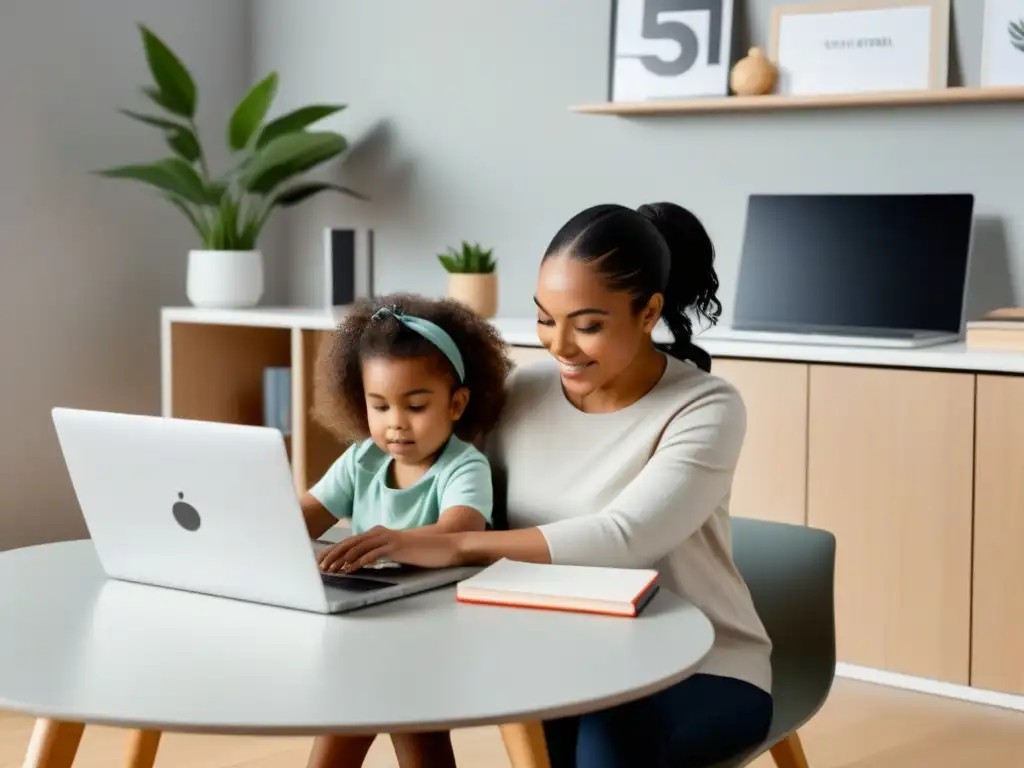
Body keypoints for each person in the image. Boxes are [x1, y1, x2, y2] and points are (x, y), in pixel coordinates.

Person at [319, 202, 775, 768]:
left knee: (599, 755)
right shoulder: (521, 391)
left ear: (648, 311)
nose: (558, 345)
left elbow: (624, 537)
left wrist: (454, 543)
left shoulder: (705, 406)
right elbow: (440, 477)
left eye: (587, 325)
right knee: (378, 680)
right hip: (551, 647)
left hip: (697, 661)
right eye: (544, 318)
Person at [300, 293, 512, 768]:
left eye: (415, 405)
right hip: (370, 627)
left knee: (412, 731)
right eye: (379, 406)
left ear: (456, 403)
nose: (395, 424)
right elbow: (307, 515)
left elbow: (462, 529)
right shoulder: (364, 459)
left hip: (434, 633)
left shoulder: (463, 466)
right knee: (363, 731)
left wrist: (396, 542)